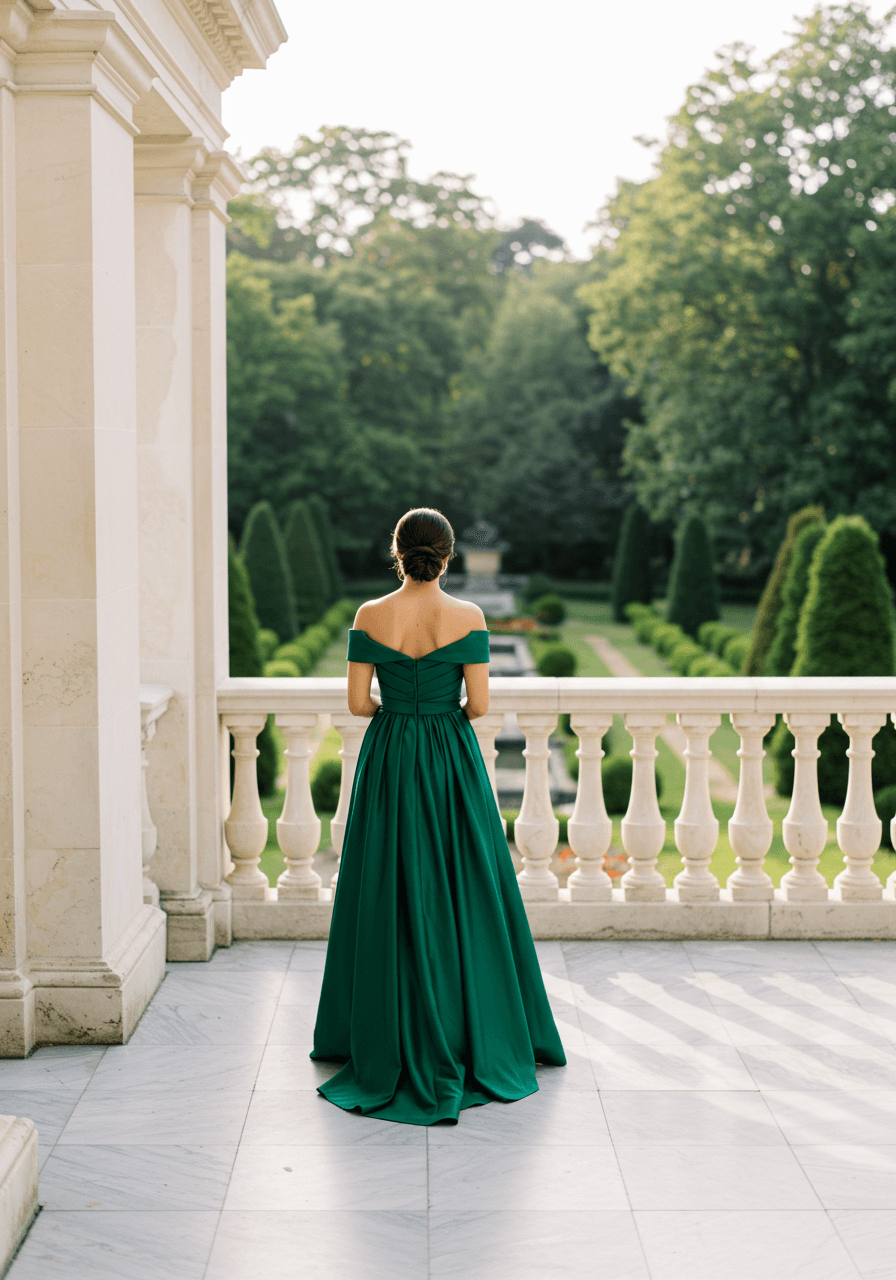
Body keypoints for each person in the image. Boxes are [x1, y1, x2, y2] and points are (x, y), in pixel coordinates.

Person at [311, 507, 566, 1125]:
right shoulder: (470, 616)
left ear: (396, 553)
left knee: (386, 883)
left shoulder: (369, 615)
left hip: (391, 754)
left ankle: (376, 1026)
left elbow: (355, 702)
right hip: (449, 757)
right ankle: (470, 1024)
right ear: (448, 557)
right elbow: (479, 705)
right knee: (465, 886)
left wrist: (399, 709)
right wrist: (436, 711)